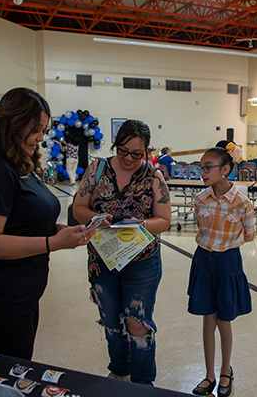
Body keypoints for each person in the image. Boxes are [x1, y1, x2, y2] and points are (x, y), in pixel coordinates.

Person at [0, 88, 98, 360]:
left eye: (43, 129)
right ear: (13, 123)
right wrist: (52, 243)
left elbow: (18, 220)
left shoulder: (19, 163)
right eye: (36, 129)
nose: (42, 137)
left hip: (18, 294)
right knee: (5, 374)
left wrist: (55, 230)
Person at [72, 119, 171, 385]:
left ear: (147, 151)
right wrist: (96, 218)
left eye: (137, 154)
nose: (129, 158)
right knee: (111, 322)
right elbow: (78, 208)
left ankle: (143, 383)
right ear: (115, 146)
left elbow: (164, 220)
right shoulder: (97, 169)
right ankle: (119, 370)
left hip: (142, 261)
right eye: (123, 151)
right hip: (102, 259)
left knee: (137, 323)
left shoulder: (154, 176)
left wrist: (141, 224)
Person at [189, 140, 254, 397]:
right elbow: (200, 229)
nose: (202, 173)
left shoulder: (241, 202)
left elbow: (249, 234)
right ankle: (209, 376)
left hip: (228, 263)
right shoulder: (200, 199)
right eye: (200, 168)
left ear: (225, 169)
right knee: (208, 319)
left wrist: (227, 244)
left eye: (208, 167)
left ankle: (226, 370)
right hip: (203, 260)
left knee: (224, 321)